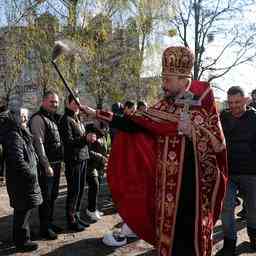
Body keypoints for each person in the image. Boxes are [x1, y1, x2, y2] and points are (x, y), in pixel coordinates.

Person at [81, 46, 228, 256]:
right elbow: (135, 124)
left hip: (192, 193)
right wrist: (97, 113)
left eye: (168, 80)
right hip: (165, 188)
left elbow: (219, 147)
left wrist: (193, 133)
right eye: (163, 78)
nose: (163, 84)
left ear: (182, 78)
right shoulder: (164, 106)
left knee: (188, 241)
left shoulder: (203, 103)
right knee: (167, 238)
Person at [219, 86, 256, 255]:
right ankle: (229, 242)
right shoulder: (223, 117)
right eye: (231, 102)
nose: (233, 106)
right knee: (226, 208)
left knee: (253, 209)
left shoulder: (254, 117)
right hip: (229, 172)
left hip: (251, 172)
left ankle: (254, 237)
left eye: (237, 102)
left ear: (245, 100)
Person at [1, 102, 42, 252]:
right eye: (23, 117)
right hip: (21, 181)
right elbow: (17, 160)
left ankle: (25, 236)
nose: (25, 119)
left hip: (24, 180)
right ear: (15, 118)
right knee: (22, 210)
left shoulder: (20, 132)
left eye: (27, 116)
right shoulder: (14, 134)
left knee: (25, 209)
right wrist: (30, 174)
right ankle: (22, 241)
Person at [29, 90, 63, 240]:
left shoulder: (52, 118)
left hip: (55, 164)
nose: (54, 104)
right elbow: (39, 144)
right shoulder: (38, 119)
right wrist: (46, 164)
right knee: (46, 198)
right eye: (51, 101)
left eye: (56, 102)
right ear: (43, 101)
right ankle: (44, 228)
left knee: (53, 196)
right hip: (46, 166)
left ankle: (49, 223)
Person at [59, 94, 92, 231]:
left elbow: (81, 139)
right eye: (74, 103)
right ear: (67, 104)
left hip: (82, 158)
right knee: (73, 191)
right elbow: (68, 142)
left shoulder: (77, 119)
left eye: (78, 103)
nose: (77, 106)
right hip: (73, 160)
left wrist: (89, 138)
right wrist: (86, 139)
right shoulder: (66, 120)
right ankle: (71, 220)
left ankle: (77, 216)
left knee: (79, 191)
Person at [85, 124, 107, 221]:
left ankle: (93, 208)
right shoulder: (91, 133)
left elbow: (103, 149)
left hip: (98, 166)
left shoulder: (102, 135)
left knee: (96, 188)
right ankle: (91, 210)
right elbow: (88, 151)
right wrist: (100, 157)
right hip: (90, 165)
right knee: (94, 186)